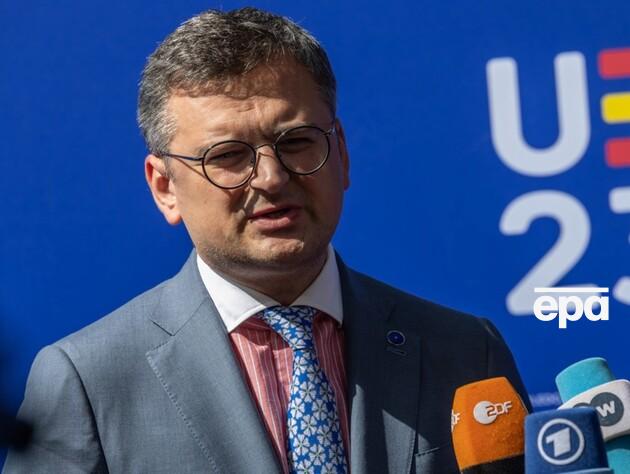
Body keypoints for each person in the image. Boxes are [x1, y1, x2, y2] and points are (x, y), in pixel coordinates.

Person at [3, 7, 530, 474]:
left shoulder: (465, 351)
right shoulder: (87, 382)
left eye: (296, 142)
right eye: (228, 156)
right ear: (165, 188)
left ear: (342, 153)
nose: (272, 178)